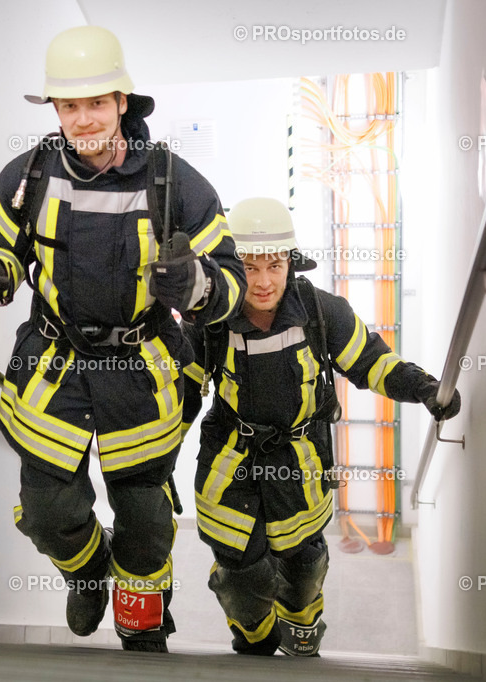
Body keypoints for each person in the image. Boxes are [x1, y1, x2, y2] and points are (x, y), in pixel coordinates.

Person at [0, 26, 245, 652]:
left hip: (142, 373)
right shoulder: (29, 172)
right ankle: (89, 574)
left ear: (123, 101)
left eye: (96, 103)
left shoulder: (178, 182)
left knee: (145, 521)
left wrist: (194, 283)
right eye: (69, 105)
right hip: (55, 364)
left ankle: (140, 630)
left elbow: (232, 284)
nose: (83, 119)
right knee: (46, 511)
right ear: (55, 110)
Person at [180, 197, 461, 656]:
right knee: (240, 576)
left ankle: (302, 627)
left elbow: (374, 363)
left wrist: (427, 389)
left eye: (275, 265)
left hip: (300, 464)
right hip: (230, 464)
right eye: (250, 267)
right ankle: (254, 639)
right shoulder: (210, 321)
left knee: (304, 566)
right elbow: (179, 396)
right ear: (230, 267)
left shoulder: (322, 312)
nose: (265, 281)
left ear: (291, 262)